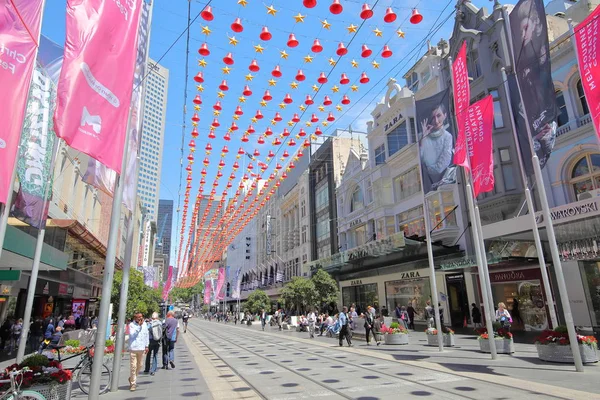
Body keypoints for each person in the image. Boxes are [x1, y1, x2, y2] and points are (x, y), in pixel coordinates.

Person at [419, 102, 456, 191]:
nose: (436, 121)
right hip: (428, 187)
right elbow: (419, 159)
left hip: (446, 185)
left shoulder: (447, 137)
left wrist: (427, 167)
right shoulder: (423, 137)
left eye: (438, 116)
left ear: (445, 115)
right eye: (433, 117)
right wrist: (423, 138)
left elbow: (441, 167)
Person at [128, 313, 149, 391]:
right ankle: (133, 383)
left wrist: (147, 346)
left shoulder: (145, 325)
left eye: (141, 317)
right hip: (133, 348)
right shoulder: (131, 325)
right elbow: (132, 335)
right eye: (139, 317)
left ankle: (131, 378)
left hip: (141, 348)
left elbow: (146, 335)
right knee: (133, 366)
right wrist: (139, 326)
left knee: (140, 365)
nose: (140, 318)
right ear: (135, 318)